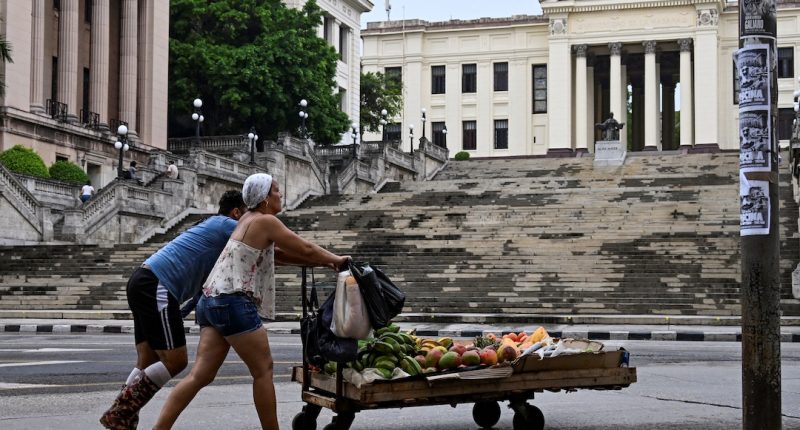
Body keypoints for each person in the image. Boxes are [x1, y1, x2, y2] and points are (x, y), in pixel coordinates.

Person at [153, 173, 349, 430]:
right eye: (276, 191)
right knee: (263, 370)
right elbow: (305, 248)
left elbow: (279, 257)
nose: (281, 195)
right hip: (233, 302)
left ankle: (159, 428)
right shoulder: (266, 221)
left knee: (200, 375)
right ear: (265, 198)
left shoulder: (245, 220)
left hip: (210, 301)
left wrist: (325, 262)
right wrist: (336, 259)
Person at [100, 190, 248, 429]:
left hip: (143, 280)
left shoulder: (213, 226)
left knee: (147, 360)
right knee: (176, 361)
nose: (250, 223)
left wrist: (182, 311)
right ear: (236, 212)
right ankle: (121, 412)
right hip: (157, 285)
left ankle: (123, 419)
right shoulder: (228, 225)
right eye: (248, 215)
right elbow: (259, 247)